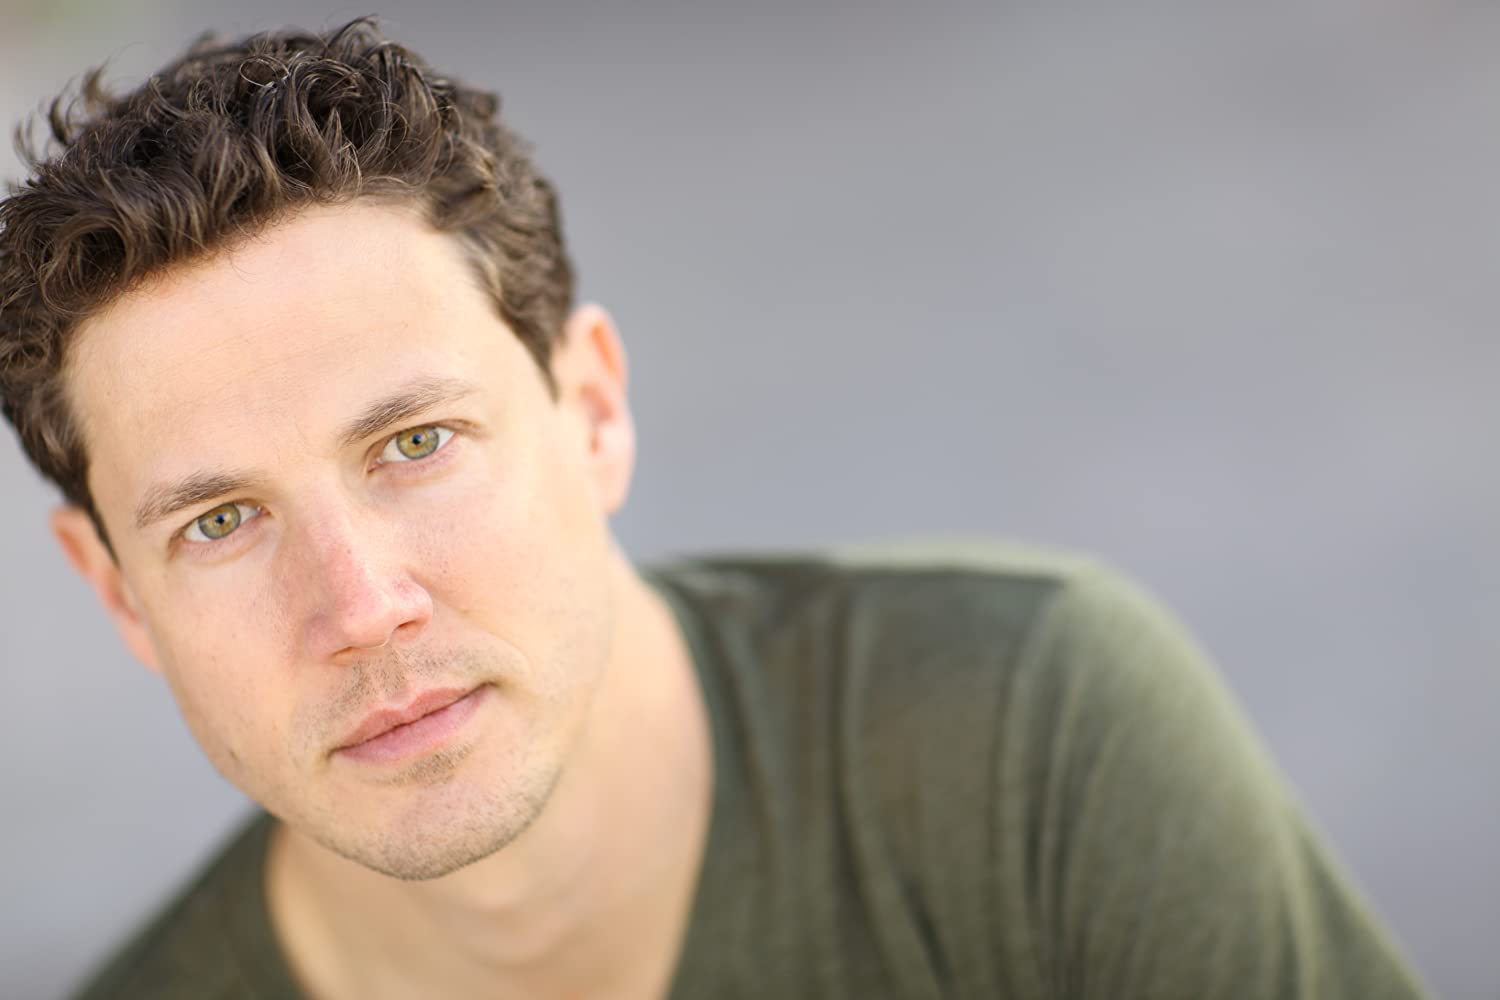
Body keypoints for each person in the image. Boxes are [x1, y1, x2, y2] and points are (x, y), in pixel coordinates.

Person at [0, 17, 1428, 1000]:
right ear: (119, 592)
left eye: (416, 443)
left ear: (593, 413)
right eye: (220, 522)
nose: (361, 606)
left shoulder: (1023, 746)